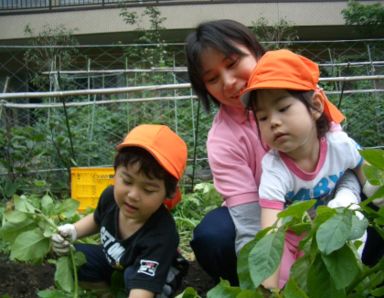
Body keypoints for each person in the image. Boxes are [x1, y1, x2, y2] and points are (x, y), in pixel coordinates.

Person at [185, 19, 362, 286]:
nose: (229, 82)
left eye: (233, 63)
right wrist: (264, 280)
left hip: (329, 203)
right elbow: (249, 221)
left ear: (256, 51)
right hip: (273, 219)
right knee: (214, 235)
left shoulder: (302, 92)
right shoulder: (223, 140)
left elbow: (345, 162)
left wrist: (345, 201)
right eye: (212, 79)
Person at [240, 49, 375, 289]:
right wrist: (269, 289)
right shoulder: (274, 169)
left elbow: (370, 178)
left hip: (335, 220)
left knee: (350, 215)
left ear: (315, 106)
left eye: (283, 108)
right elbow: (271, 232)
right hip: (296, 234)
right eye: (262, 117)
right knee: (285, 275)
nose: (273, 121)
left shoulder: (339, 145)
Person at [51, 124, 189, 298]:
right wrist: (73, 230)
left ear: (167, 195)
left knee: (134, 276)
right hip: (119, 265)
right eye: (127, 181)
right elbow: (96, 219)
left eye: (148, 190)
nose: (133, 195)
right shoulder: (110, 197)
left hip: (155, 278)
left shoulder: (161, 235)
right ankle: (108, 294)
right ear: (115, 174)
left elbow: (142, 291)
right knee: (75, 257)